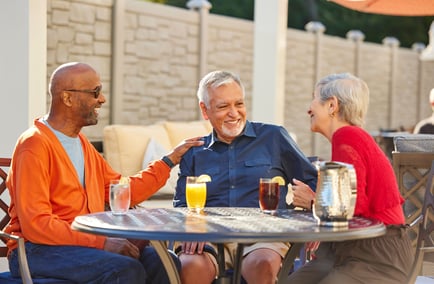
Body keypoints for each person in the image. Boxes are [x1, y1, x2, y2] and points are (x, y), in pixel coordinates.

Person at [5, 62, 204, 283]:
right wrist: (102, 242)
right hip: (37, 249)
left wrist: (169, 160)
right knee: (124, 269)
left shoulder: (81, 143)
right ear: (68, 98)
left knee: (163, 261)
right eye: (95, 92)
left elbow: (123, 192)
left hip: (79, 243)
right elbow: (37, 226)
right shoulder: (34, 145)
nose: (102, 99)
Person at [173, 70, 318, 284]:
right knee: (190, 265)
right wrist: (190, 227)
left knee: (263, 263)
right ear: (205, 110)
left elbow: (313, 182)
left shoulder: (274, 137)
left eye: (239, 104)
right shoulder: (194, 152)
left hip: (263, 236)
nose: (234, 113)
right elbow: (182, 203)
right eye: (223, 107)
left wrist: (312, 206)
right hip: (208, 236)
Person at [288, 73, 413, 283]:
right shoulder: (351, 137)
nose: (309, 109)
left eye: (314, 98)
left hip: (377, 256)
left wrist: (313, 202)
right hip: (348, 249)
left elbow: (353, 207)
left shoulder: (348, 137)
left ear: (331, 106)